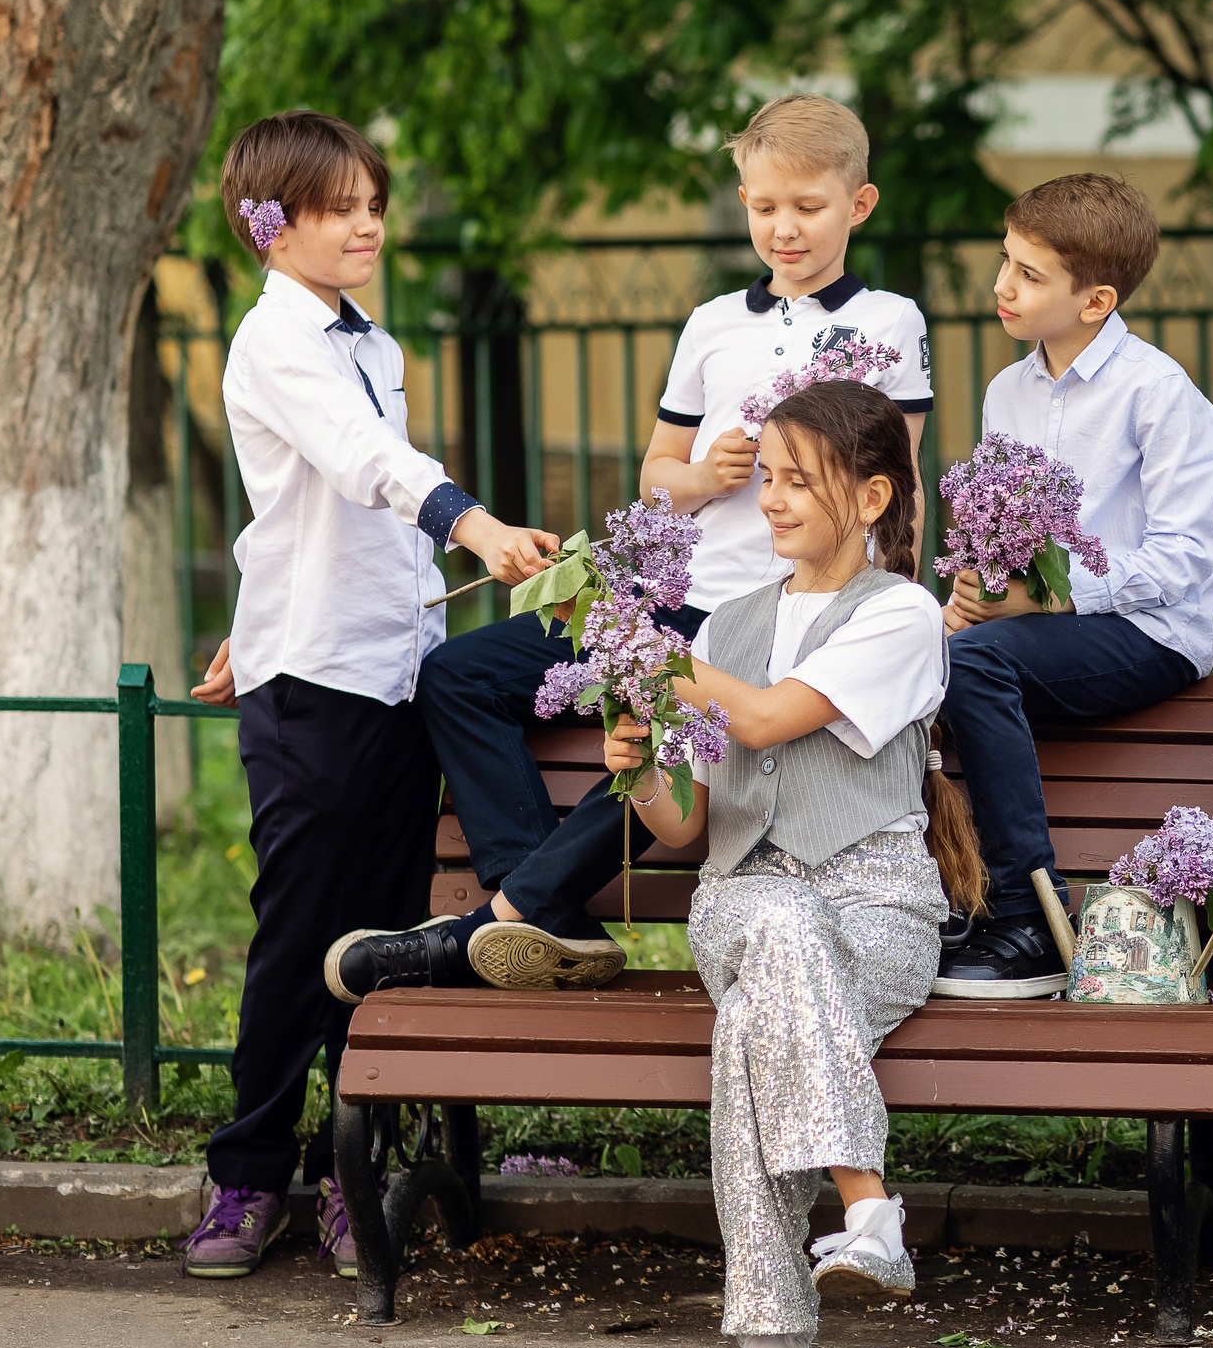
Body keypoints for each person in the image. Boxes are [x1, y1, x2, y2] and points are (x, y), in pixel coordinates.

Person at [332, 94, 934, 999]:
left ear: (860, 205)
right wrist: (707, 476)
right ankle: (545, 909)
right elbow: (659, 471)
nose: (785, 228)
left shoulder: (890, 323)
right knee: (462, 675)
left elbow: (900, 480)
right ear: (742, 202)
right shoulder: (711, 325)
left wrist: (889, 609)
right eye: (765, 207)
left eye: (808, 207)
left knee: (668, 729)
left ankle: (502, 922)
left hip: (774, 626)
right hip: (677, 595)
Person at [182, 111, 560, 1281]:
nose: (367, 224)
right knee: (300, 935)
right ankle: (245, 1177)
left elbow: (314, 518)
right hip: (315, 686)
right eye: (337, 207)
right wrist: (474, 523)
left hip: (390, 672)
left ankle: (354, 1178)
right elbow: (360, 465)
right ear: (268, 224)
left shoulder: (371, 342)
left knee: (383, 939)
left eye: (371, 203)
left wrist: (262, 608)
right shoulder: (272, 340)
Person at [606, 379, 981, 1348]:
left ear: (868, 498)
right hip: (739, 898)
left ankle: (774, 1329)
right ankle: (869, 1210)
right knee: (773, 918)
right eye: (764, 478)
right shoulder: (723, 625)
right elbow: (687, 829)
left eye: (796, 482)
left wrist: (661, 663)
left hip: (877, 907)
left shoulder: (902, 615)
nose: (769, 500)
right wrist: (639, 766)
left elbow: (769, 721)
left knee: (749, 1032)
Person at [929, 174, 1213, 997]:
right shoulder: (1006, 392)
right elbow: (1002, 544)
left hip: (1151, 634)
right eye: (1004, 260)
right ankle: (931, 898)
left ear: (1095, 299)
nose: (1001, 285)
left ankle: (1029, 918)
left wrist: (1048, 599)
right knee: (915, 653)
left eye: (1028, 273)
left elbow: (1182, 563)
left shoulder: (1161, 395)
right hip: (1031, 637)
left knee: (979, 664)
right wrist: (973, 591)